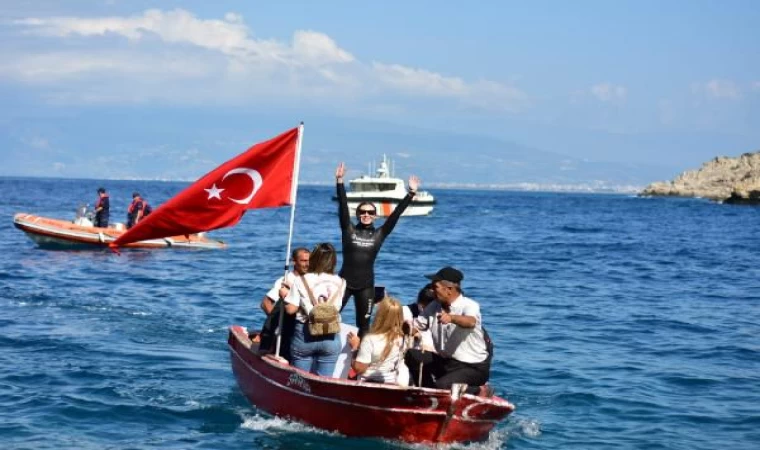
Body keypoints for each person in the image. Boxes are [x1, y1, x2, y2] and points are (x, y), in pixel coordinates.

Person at [335, 162, 420, 337]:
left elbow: (395, 215)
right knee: (330, 316)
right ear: (358, 214)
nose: (366, 215)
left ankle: (360, 358)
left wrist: (410, 194)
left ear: (375, 216)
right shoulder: (348, 230)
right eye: (362, 212)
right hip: (343, 283)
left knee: (364, 325)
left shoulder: (380, 233)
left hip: (366, 285)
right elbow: (343, 207)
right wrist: (340, 182)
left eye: (370, 212)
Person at [405, 267, 493, 397]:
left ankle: (479, 391)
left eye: (435, 287)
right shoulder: (434, 306)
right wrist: (403, 327)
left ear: (449, 289)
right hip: (446, 362)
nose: (432, 290)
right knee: (412, 355)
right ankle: (428, 394)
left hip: (473, 367)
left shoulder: (469, 305)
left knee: (443, 386)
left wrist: (452, 318)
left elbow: (470, 321)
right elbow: (416, 327)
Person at [284, 242, 346, 376]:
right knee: (324, 383)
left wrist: (284, 295)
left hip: (305, 335)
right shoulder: (341, 282)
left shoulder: (301, 280)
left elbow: (290, 310)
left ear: (314, 258)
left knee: (300, 381)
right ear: (333, 261)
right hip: (331, 335)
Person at [256, 247, 310, 359]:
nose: (307, 264)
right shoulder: (285, 280)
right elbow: (265, 303)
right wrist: (279, 326)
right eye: (303, 261)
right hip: (288, 329)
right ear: (294, 262)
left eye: (309, 261)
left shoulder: (312, 279)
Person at [347, 296, 409, 385]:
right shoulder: (402, 337)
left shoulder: (370, 339)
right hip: (392, 382)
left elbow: (359, 369)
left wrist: (355, 348)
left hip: (368, 384)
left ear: (380, 315)